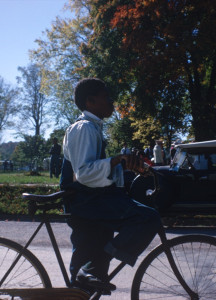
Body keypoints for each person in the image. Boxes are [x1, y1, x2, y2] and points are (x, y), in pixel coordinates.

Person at [60, 78, 161, 294]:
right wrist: (115, 161)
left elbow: (97, 171)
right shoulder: (84, 128)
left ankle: (90, 269)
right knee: (148, 218)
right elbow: (84, 173)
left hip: (92, 202)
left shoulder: (92, 127)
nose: (111, 102)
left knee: (83, 289)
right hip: (87, 203)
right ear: (90, 101)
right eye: (107, 97)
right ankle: (93, 266)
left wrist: (123, 165)